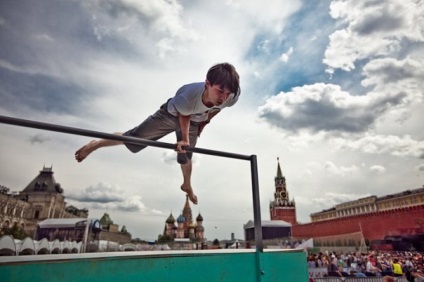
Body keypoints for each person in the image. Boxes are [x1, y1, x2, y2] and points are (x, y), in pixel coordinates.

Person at [75, 63, 241, 205]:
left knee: (186, 155)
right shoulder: (189, 96)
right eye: (220, 91)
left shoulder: (231, 97)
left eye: (227, 94)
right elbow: (184, 115)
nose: (224, 97)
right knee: (132, 138)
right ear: (207, 84)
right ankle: (95, 145)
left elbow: (219, 108)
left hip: (196, 120)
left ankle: (187, 185)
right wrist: (184, 139)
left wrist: (206, 121)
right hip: (170, 115)